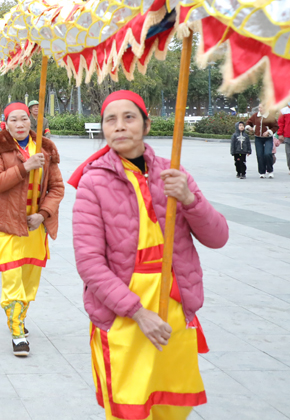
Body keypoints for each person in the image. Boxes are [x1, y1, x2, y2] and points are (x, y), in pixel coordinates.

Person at [69, 90, 228, 419]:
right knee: (129, 410)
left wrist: (189, 199)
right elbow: (89, 263)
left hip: (174, 312)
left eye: (129, 117)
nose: (120, 126)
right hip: (123, 316)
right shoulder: (93, 183)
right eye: (111, 120)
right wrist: (138, 313)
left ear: (146, 124)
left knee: (172, 410)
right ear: (103, 129)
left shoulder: (173, 174)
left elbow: (218, 237)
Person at [0, 102, 64, 356]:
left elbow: (56, 187)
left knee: (30, 283)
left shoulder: (45, 148)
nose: (19, 125)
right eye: (13, 121)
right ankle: (18, 332)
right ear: (5, 124)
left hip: (35, 228)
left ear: (30, 121)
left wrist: (43, 215)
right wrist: (24, 167)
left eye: (23, 120)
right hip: (9, 225)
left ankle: (17, 317)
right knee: (12, 280)